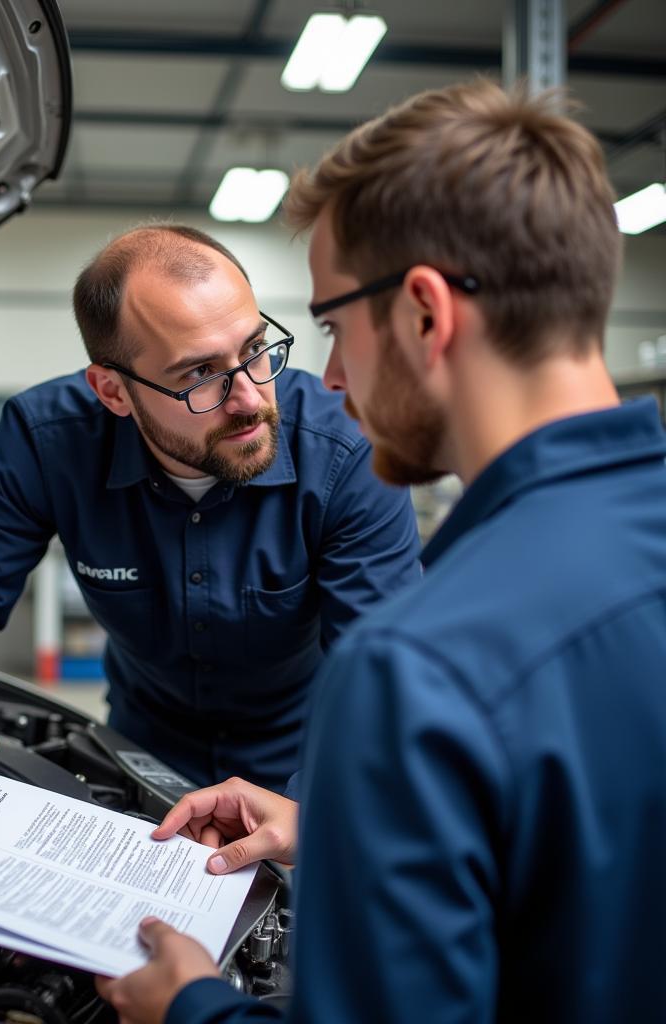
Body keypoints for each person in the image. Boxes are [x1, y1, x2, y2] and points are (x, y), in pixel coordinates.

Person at [97, 81, 666, 1023]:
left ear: (424, 314)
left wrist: (193, 1006)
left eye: (331, 328)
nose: (325, 379)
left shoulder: (421, 667)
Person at [0, 224, 420, 797]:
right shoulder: (47, 442)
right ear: (113, 391)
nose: (250, 399)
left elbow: (382, 676)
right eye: (201, 375)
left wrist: (313, 806)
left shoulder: (347, 450)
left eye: (256, 350)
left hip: (305, 755)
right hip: (140, 758)